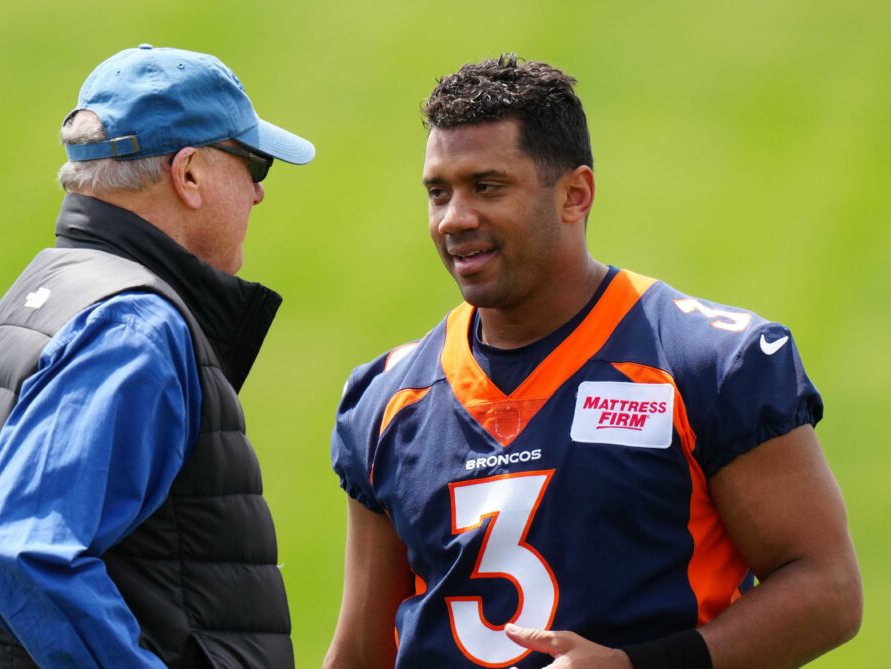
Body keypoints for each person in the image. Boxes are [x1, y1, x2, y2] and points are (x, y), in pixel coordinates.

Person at [324, 54, 861, 669]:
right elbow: (362, 650)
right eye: (438, 193)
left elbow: (828, 591)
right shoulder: (387, 398)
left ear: (575, 195)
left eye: (487, 186)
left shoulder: (708, 362)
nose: (455, 219)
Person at [0, 44, 313, 668]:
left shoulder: (49, 292)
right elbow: (22, 551)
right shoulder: (131, 324)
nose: (259, 194)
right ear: (187, 174)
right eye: (254, 164)